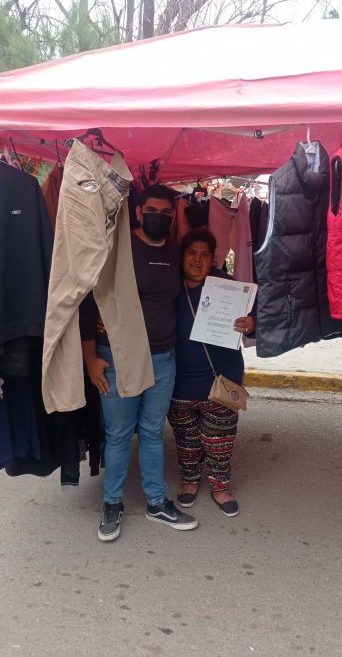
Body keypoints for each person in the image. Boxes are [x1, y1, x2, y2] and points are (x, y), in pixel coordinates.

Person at [80, 184, 198, 541]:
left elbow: (199, 282)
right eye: (152, 210)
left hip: (164, 358)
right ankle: (112, 504)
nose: (158, 217)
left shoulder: (176, 253)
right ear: (138, 211)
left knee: (150, 433)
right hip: (117, 358)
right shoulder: (117, 248)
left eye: (165, 213)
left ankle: (156, 502)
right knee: (117, 435)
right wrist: (90, 357)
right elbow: (87, 301)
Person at [167, 229, 255, 517]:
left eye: (204, 254)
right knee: (186, 439)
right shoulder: (167, 287)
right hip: (178, 382)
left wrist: (251, 323)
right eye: (192, 253)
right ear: (182, 256)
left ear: (213, 260)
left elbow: (259, 317)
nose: (197, 259)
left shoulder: (228, 286)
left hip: (222, 379)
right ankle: (190, 480)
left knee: (220, 440)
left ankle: (220, 486)